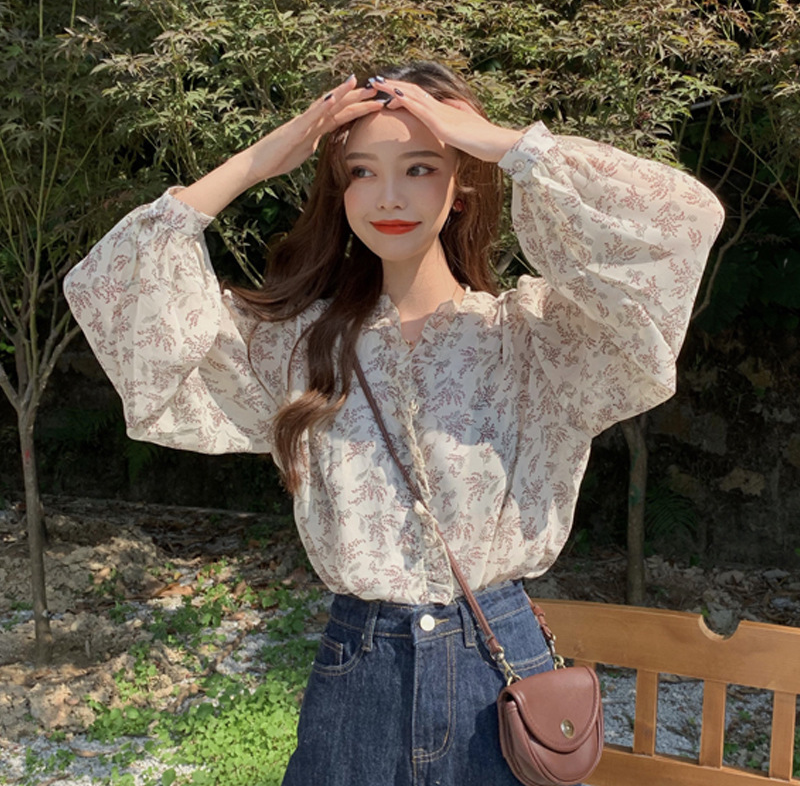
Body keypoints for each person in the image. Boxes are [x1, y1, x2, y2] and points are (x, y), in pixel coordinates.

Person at [64, 61, 724, 786]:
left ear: (460, 185)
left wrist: (505, 145)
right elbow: (115, 293)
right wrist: (257, 162)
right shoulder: (295, 347)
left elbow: (679, 223)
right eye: (361, 172)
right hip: (359, 678)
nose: (388, 196)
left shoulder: (535, 338)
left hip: (497, 676)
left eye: (419, 167)